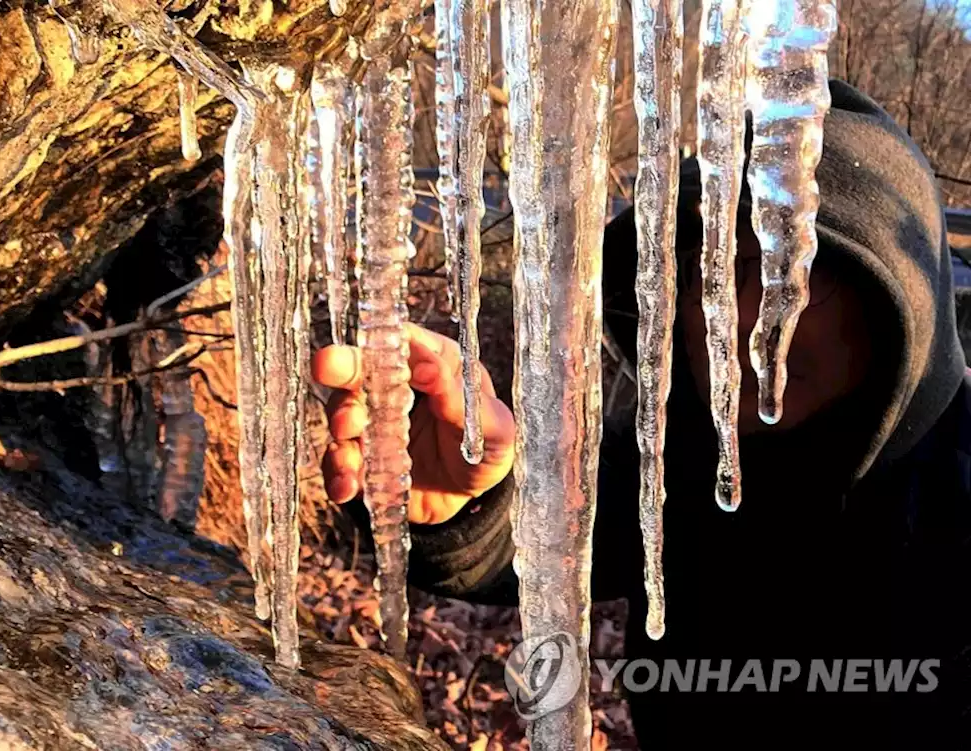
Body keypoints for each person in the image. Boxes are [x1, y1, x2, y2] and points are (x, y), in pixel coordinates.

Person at [312, 80, 970, 749]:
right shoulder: (681, 461)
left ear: (895, 299)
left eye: (785, 269)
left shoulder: (957, 493)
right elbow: (546, 542)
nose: (736, 318)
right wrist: (466, 494)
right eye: (701, 275)